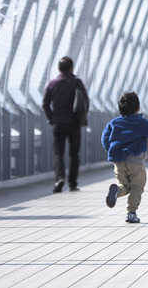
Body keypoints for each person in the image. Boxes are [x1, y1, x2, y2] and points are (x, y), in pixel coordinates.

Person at [101, 91, 148, 224]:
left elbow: (104, 139)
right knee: (137, 187)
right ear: (138, 107)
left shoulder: (113, 123)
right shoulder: (142, 123)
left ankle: (116, 192)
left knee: (124, 185)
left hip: (118, 162)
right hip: (135, 161)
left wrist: (113, 150)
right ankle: (131, 212)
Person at [42, 56, 89, 193]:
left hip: (58, 122)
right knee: (73, 154)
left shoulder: (52, 83)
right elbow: (85, 102)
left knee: (58, 153)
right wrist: (81, 118)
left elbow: (45, 104)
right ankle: (72, 183)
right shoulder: (76, 83)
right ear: (71, 68)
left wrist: (51, 118)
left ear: (58, 69)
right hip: (74, 123)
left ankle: (59, 179)